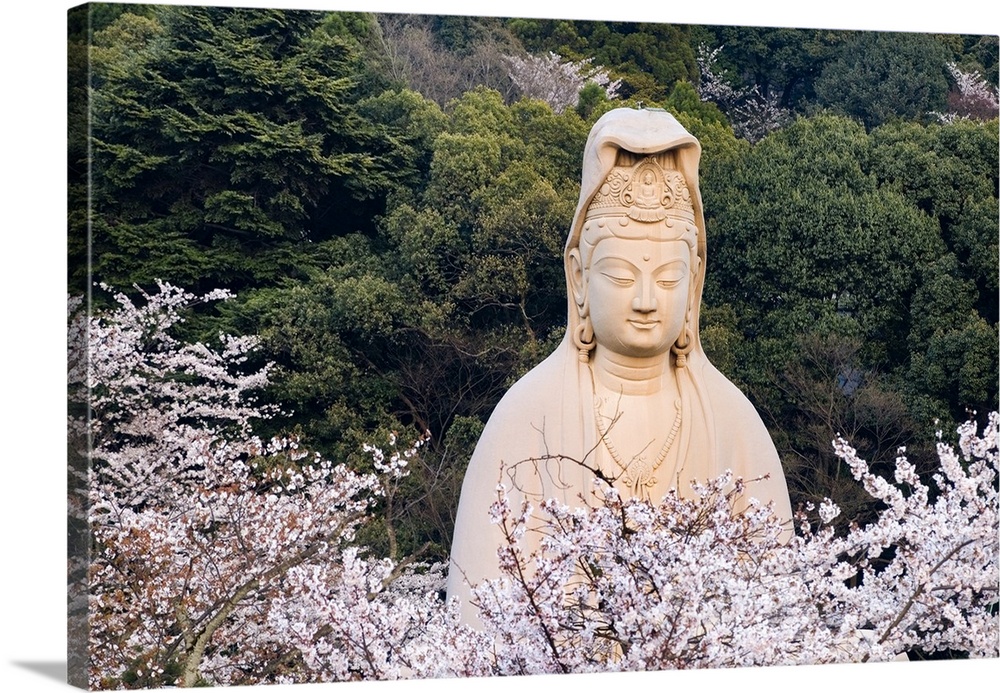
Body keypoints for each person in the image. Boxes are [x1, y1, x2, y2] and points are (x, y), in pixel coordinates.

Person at [447, 108, 792, 625]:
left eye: (670, 279)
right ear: (580, 278)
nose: (648, 301)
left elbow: (776, 614)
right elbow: (475, 615)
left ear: (695, 282)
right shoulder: (525, 419)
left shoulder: (734, 426)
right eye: (622, 275)